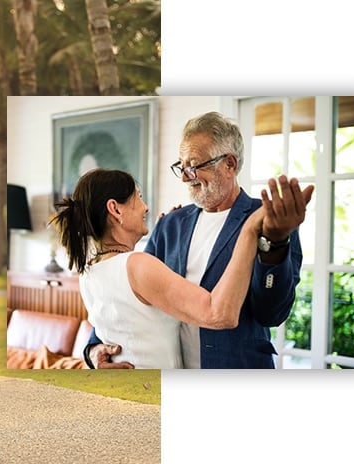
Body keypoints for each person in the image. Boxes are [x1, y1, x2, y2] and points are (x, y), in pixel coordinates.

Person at [85, 111, 314, 369]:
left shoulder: (268, 220)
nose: (184, 176)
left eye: (193, 165)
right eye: (181, 166)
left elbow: (272, 313)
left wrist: (276, 242)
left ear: (229, 164)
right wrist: (94, 348)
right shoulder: (169, 225)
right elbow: (130, 298)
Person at [49, 168, 312, 368]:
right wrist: (250, 231)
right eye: (138, 198)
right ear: (115, 210)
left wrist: (94, 353)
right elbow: (219, 313)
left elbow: (123, 316)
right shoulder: (138, 263)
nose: (146, 207)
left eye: (195, 165)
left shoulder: (88, 270)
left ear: (229, 164)